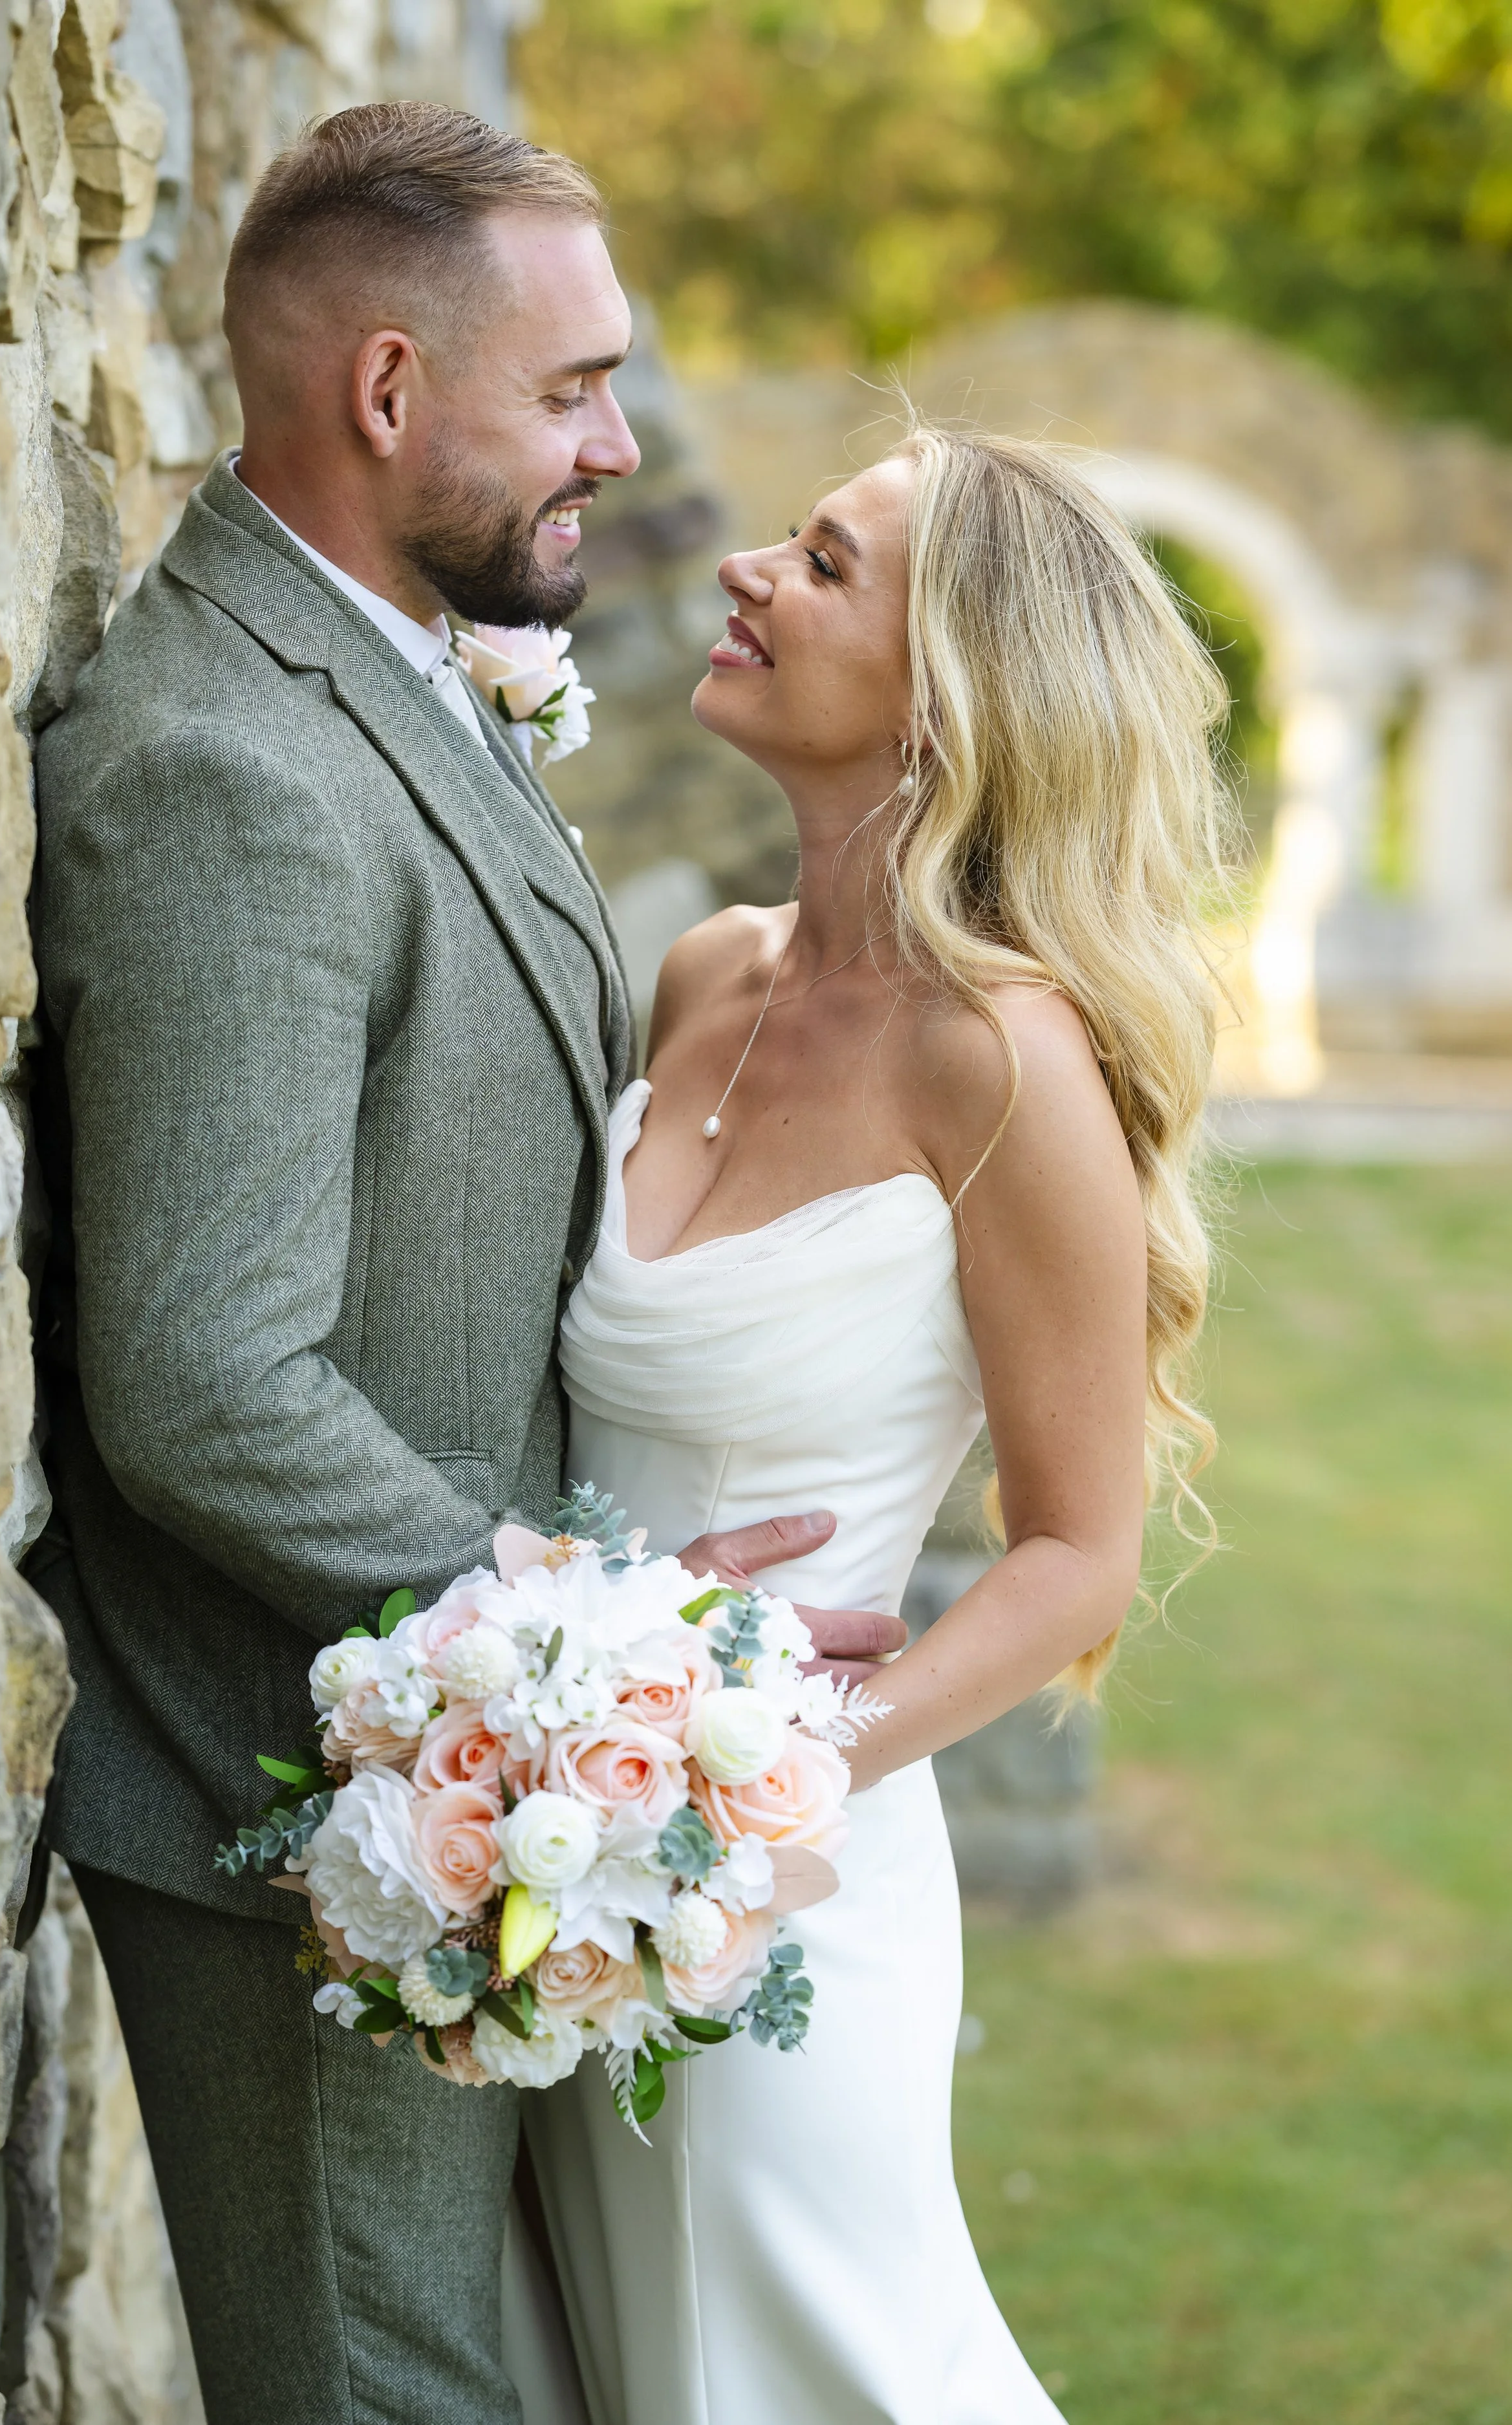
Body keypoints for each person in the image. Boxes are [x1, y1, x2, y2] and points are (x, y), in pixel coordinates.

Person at [28, 104, 898, 2425]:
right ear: (390, 395)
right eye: (573, 389)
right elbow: (209, 1379)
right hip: (316, 1818)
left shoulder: (405, 661)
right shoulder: (231, 768)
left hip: (478, 1797)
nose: (619, 446)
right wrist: (605, 1649)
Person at [516, 428, 1226, 2421]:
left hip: (779, 1897)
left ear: (943, 704)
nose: (742, 564)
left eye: (819, 561)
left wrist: (766, 1765)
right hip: (544, 1849)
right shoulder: (702, 973)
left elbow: (1077, 1544)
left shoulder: (996, 1057)